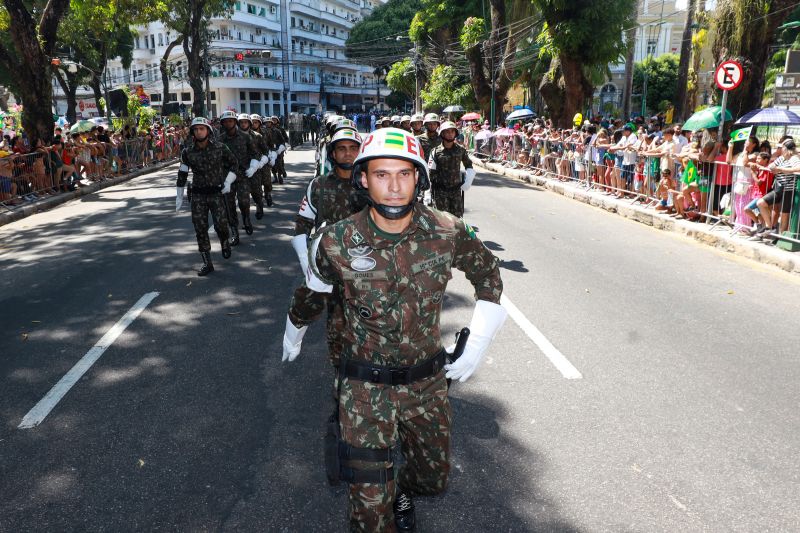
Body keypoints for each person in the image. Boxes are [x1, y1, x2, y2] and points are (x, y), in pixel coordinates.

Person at [282, 127, 506, 532]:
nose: (394, 186)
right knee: (370, 511)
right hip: (364, 389)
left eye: (404, 173)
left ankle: (401, 487)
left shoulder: (447, 230)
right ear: (363, 178)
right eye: (382, 174)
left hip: (427, 385)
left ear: (418, 177)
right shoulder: (336, 241)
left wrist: (479, 341)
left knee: (432, 482)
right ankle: (380, 495)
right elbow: (313, 292)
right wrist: (292, 332)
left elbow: (489, 274)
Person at [286, 128, 365, 373]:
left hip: (370, 270)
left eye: (353, 148)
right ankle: (341, 399)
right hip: (330, 270)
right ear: (332, 153)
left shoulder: (372, 182)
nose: (348, 153)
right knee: (337, 336)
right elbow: (302, 225)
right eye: (342, 148)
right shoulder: (318, 185)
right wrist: (306, 263)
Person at [175, 117, 237, 276]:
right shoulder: (187, 152)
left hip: (216, 193)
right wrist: (179, 193)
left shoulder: (220, 147)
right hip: (198, 195)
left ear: (208, 131)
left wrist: (228, 181)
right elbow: (183, 172)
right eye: (195, 129)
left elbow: (234, 164)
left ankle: (224, 241)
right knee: (200, 228)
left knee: (221, 225)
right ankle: (207, 262)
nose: (198, 131)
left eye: (201, 128)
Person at [218, 110, 261, 243]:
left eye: (230, 120)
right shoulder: (219, 140)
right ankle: (235, 233)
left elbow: (255, 154)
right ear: (222, 124)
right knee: (229, 207)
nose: (228, 123)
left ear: (235, 122)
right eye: (226, 121)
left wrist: (253, 167)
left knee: (244, 201)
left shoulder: (245, 137)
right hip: (226, 178)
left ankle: (247, 219)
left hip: (242, 175)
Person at [428, 121, 475, 218]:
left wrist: (468, 180)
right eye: (447, 132)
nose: (450, 134)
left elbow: (469, 165)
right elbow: (431, 173)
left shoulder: (461, 150)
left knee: (457, 221)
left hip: (456, 192)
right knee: (442, 220)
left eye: (452, 132)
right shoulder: (435, 152)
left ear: (455, 133)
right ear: (442, 133)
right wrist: (429, 193)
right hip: (440, 192)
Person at [252, 114, 277, 208]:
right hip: (253, 163)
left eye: (256, 122)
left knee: (267, 182)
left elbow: (271, 144)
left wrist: (272, 155)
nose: (254, 124)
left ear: (259, 123)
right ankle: (259, 204)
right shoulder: (247, 134)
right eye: (253, 122)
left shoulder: (266, 132)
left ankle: (268, 195)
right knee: (256, 186)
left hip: (264, 160)